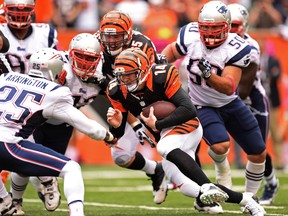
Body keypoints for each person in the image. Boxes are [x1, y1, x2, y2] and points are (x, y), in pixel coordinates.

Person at [106, 47, 265, 216]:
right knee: (189, 188)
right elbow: (117, 134)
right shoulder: (116, 90)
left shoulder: (161, 76)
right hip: (166, 136)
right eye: (121, 75)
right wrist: (114, 125)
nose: (125, 79)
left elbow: (189, 110)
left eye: (130, 74)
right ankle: (246, 199)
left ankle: (207, 185)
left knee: (164, 147)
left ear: (144, 70)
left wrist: (158, 124)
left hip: (186, 125)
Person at [161, 0, 267, 211]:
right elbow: (172, 51)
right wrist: (160, 64)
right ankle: (222, 174)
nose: (209, 33)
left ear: (226, 27)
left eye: (215, 28)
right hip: (201, 105)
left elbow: (229, 87)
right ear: (198, 26)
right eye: (205, 27)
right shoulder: (190, 35)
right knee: (220, 146)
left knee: (258, 152)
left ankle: (251, 196)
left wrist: (208, 74)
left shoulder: (237, 46)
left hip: (229, 102)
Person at [0, 48, 117, 216]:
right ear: (55, 70)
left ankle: (4, 201)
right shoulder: (55, 92)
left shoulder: (6, 78)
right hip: (7, 144)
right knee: (72, 168)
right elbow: (88, 127)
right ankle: (77, 213)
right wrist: (109, 136)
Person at [93, 10, 167, 204]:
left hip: (152, 100)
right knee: (121, 156)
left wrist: (141, 120)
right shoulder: (95, 46)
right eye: (107, 36)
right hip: (123, 102)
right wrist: (133, 123)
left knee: (173, 149)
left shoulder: (141, 45)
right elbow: (112, 92)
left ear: (128, 34)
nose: (111, 41)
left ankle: (200, 191)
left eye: (116, 36)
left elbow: (149, 86)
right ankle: (155, 170)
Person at [228, 3, 280, 205]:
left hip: (250, 99)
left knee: (257, 149)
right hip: (228, 97)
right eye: (227, 24)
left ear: (245, 25)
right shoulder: (214, 43)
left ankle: (271, 183)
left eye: (234, 24)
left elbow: (244, 88)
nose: (230, 29)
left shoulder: (250, 47)